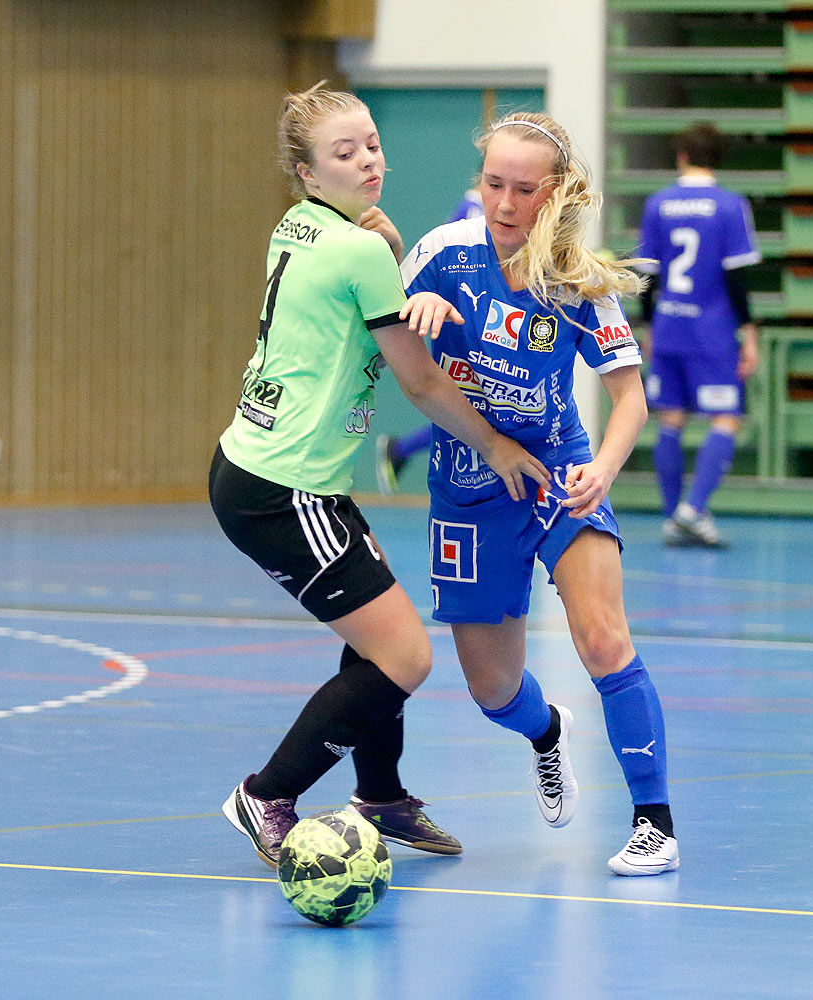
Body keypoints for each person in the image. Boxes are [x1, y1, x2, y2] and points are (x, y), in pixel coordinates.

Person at [210, 84, 550, 867]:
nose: (368, 160)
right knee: (406, 656)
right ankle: (268, 793)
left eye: (370, 143)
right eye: (344, 152)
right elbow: (423, 383)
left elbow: (350, 302)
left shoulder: (300, 226)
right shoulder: (362, 250)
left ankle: (383, 796)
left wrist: (389, 254)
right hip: (282, 489)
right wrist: (498, 446)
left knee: (379, 629)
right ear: (306, 171)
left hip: (263, 471)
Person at [400, 111, 680, 875]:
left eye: (523, 189)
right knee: (493, 691)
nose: (503, 203)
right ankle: (545, 732)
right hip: (467, 490)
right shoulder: (442, 255)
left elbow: (631, 399)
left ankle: (655, 822)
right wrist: (410, 318)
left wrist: (605, 469)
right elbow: (387, 341)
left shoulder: (576, 281)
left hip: (559, 473)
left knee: (603, 638)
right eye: (493, 183)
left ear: (554, 192)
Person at [637, 122, 761, 548]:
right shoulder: (730, 206)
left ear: (682, 157)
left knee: (670, 418)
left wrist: (649, 326)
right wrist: (749, 333)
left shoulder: (657, 204)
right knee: (726, 417)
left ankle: (674, 517)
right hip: (712, 330)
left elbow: (648, 277)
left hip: (670, 325)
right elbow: (737, 276)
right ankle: (693, 509)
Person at [372, 187, 484, 494]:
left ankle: (400, 450)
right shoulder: (473, 209)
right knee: (465, 412)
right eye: (496, 181)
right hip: (463, 324)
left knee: (471, 413)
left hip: (476, 322)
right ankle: (400, 450)